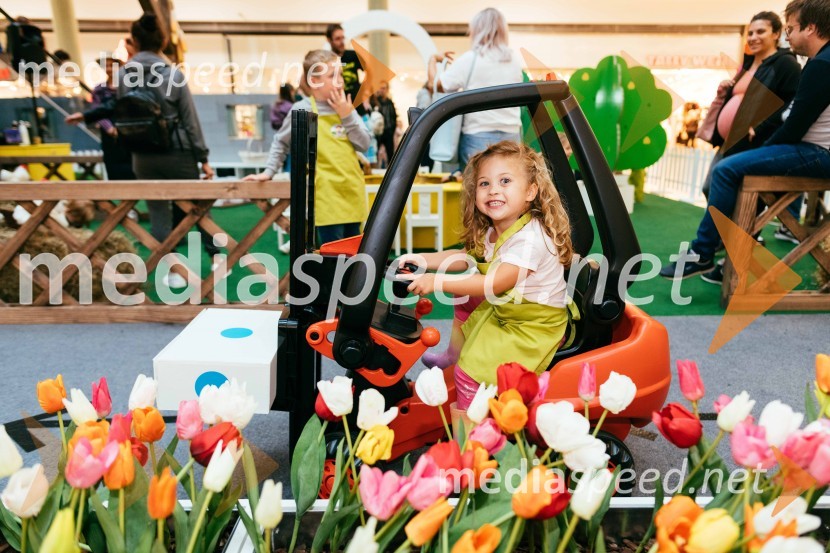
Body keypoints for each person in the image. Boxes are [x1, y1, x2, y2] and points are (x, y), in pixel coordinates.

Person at [660, 0, 830, 282]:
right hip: (811, 150)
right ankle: (733, 255)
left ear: (810, 28)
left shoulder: (821, 65)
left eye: (791, 29)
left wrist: (761, 152)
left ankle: (702, 253)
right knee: (734, 173)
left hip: (817, 154)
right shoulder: (818, 61)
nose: (789, 36)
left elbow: (794, 126)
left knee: (726, 170)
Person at [401, 141, 574, 409]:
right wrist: (423, 261)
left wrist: (436, 281)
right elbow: (462, 257)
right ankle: (454, 353)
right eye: (484, 183)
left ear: (530, 191)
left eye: (505, 181)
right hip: (511, 310)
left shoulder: (529, 239)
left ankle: (473, 434)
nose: (493, 189)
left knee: (469, 373)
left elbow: (494, 283)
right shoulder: (494, 229)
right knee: (463, 292)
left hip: (533, 325)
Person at [66, 14, 219, 288]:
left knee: (158, 211)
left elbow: (118, 108)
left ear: (134, 42)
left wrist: (87, 116)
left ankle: (172, 272)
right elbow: (189, 120)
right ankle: (217, 260)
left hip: (143, 155)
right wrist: (203, 157)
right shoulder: (173, 75)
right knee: (198, 206)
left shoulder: (124, 75)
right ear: (162, 40)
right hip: (178, 153)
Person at [693, 11, 802, 282]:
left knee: (744, 201)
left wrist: (762, 128)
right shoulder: (748, 64)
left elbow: (792, 102)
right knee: (710, 188)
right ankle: (725, 241)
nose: (753, 37)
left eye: (761, 32)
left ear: (776, 34)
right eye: (750, 33)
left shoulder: (784, 64)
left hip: (755, 144)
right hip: (731, 142)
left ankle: (733, 249)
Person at [244, 50, 371, 245]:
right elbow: (281, 141)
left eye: (340, 75)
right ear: (314, 81)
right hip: (324, 199)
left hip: (352, 194)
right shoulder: (302, 109)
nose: (340, 81)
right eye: (332, 76)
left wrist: (347, 115)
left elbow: (364, 144)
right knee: (331, 258)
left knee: (353, 256)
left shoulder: (347, 108)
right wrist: (268, 172)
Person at [427, 7, 523, 168]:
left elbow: (435, 86)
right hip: (511, 134)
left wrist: (432, 60)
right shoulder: (514, 60)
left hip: (477, 135)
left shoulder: (470, 60)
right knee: (508, 186)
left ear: (477, 30)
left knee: (477, 187)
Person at [88, 53, 135, 180]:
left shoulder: (128, 86)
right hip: (109, 137)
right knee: (114, 169)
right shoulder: (99, 89)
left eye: (112, 65)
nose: (109, 68)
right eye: (106, 66)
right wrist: (109, 128)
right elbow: (97, 111)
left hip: (129, 133)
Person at [326, 24, 363, 112]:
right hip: (337, 107)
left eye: (343, 38)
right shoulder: (326, 60)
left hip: (357, 107)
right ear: (329, 40)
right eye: (337, 39)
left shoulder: (353, 55)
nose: (342, 41)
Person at [374, 80, 397, 166]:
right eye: (380, 88)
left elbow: (393, 117)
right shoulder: (375, 102)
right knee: (375, 152)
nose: (382, 90)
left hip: (388, 132)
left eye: (384, 88)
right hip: (379, 133)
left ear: (387, 89)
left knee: (390, 154)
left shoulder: (390, 103)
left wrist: (392, 129)